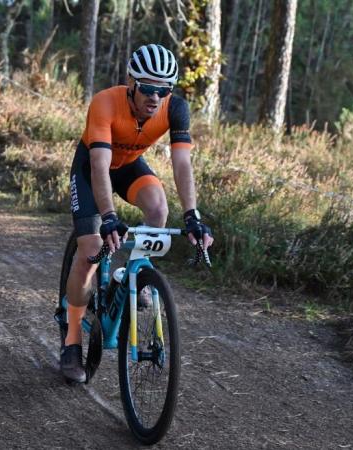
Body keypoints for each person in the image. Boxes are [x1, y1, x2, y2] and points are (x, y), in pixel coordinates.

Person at [61, 43, 214, 383]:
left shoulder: (176, 109)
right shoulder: (105, 102)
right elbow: (100, 167)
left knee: (159, 208)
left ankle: (133, 276)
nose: (155, 97)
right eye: (147, 88)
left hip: (129, 166)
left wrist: (192, 215)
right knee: (89, 254)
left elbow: (182, 163)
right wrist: (110, 216)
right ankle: (72, 340)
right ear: (131, 83)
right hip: (91, 170)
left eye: (164, 89)